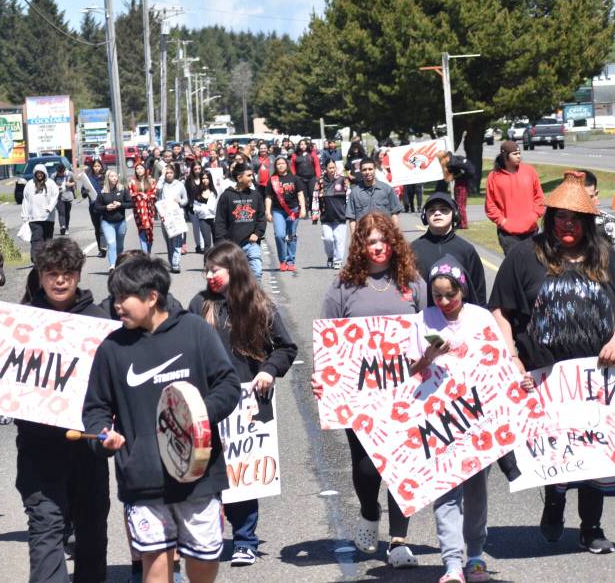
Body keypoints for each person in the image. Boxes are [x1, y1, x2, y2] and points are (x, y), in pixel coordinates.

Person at [83, 256, 240, 583]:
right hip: (142, 479)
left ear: (151, 296)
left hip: (197, 473)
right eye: (114, 299)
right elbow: (96, 408)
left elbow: (227, 384)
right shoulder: (111, 349)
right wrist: (103, 437)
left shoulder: (194, 330)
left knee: (204, 559)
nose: (117, 306)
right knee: (154, 566)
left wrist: (196, 414)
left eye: (123, 298)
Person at [489, 171, 615, 554]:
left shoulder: (607, 255)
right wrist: (511, 357)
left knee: (594, 449)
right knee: (555, 444)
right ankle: (554, 503)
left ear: (588, 221)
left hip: (598, 376)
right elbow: (500, 311)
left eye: (576, 219)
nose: (568, 225)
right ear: (550, 217)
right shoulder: (523, 256)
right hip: (544, 375)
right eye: (561, 217)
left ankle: (592, 526)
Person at [311, 212, 425, 569]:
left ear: (393, 242)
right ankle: (367, 510)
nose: (378, 247)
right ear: (361, 245)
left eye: (383, 240)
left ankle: (399, 540)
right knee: (366, 468)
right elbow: (327, 338)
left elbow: (430, 330)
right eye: (370, 241)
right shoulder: (344, 286)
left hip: (405, 393)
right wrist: (322, 376)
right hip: (359, 396)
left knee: (401, 466)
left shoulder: (412, 283)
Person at [188, 242, 297, 567]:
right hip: (208, 400)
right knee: (205, 472)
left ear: (233, 270)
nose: (209, 275)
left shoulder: (258, 304)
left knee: (241, 475)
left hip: (247, 400)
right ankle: (207, 537)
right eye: (206, 270)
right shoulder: (199, 304)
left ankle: (245, 540)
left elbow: (285, 348)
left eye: (215, 270)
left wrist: (268, 371)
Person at [12, 238, 111, 583]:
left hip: (87, 447)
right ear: (40, 276)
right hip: (38, 446)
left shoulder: (99, 322)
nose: (59, 281)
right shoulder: (20, 321)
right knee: (45, 529)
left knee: (91, 531)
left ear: (78, 275)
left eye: (67, 273)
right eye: (52, 273)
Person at [408, 257, 493, 583]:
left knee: (476, 490)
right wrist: (429, 357)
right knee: (445, 491)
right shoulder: (422, 320)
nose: (443, 302)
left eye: (450, 295)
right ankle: (452, 564)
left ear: (463, 289)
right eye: (437, 295)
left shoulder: (480, 317)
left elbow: (494, 361)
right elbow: (408, 372)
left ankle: (475, 555)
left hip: (476, 417)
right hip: (437, 419)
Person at [411, 193, 487, 306]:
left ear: (455, 214)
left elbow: (478, 290)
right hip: (424, 315)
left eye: (444, 209)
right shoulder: (413, 249)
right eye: (431, 210)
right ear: (424, 216)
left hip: (460, 316)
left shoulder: (466, 250)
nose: (437, 213)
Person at [484, 141, 544, 255]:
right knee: (514, 268)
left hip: (531, 231)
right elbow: (490, 205)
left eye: (519, 153)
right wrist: (502, 222)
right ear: (505, 155)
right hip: (508, 235)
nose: (519, 156)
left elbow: (539, 198)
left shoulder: (529, 171)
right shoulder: (494, 176)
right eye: (515, 154)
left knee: (533, 266)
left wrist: (534, 216)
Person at [215, 163, 266, 281]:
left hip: (251, 243)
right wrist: (221, 243)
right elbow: (220, 221)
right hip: (232, 246)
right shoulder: (226, 196)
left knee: (257, 272)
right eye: (248, 175)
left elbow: (261, 217)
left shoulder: (256, 195)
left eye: (252, 175)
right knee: (235, 277)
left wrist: (258, 233)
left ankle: (256, 298)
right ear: (239, 178)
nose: (252, 178)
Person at [265, 156, 307, 272]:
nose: (280, 165)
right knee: (279, 235)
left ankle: (291, 261)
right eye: (278, 164)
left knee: (291, 235)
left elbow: (300, 194)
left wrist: (303, 208)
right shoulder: (272, 180)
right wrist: (268, 212)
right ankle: (282, 260)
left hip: (293, 210)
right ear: (275, 166)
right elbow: (268, 197)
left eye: (283, 163)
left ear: (287, 165)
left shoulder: (294, 178)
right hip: (278, 211)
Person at [345, 157, 403, 233]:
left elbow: (394, 213)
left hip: (385, 235)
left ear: (375, 169)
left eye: (370, 169)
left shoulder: (387, 189)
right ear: (361, 171)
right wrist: (354, 239)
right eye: (364, 170)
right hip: (364, 236)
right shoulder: (355, 193)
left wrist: (396, 234)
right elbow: (352, 219)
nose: (367, 172)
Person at [95, 169, 132, 271]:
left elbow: (131, 203)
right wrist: (106, 207)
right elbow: (97, 207)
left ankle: (119, 263)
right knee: (111, 243)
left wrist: (121, 205)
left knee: (119, 245)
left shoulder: (123, 189)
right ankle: (112, 265)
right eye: (112, 176)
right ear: (107, 178)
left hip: (121, 222)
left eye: (115, 176)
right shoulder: (103, 191)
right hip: (107, 222)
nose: (114, 178)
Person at [21, 164, 59, 262]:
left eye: (41, 172)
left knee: (48, 239)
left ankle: (48, 259)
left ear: (44, 173)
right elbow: (25, 200)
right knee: (37, 239)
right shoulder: (29, 184)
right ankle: (36, 258)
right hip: (34, 218)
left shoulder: (51, 183)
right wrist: (25, 216)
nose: (39, 174)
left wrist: (50, 207)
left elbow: (55, 196)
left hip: (48, 218)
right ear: (35, 173)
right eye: (37, 173)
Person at [316, 160, 350, 269]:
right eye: (330, 168)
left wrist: (349, 212)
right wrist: (315, 213)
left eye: (333, 167)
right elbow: (315, 197)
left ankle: (338, 260)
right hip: (326, 216)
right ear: (325, 169)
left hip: (340, 215)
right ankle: (330, 256)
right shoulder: (320, 181)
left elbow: (348, 196)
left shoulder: (342, 180)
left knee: (339, 240)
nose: (332, 170)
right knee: (328, 239)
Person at [157, 165, 188, 273]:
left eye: (170, 172)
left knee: (177, 241)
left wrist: (179, 201)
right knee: (169, 242)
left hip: (177, 216)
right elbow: (157, 190)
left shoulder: (180, 185)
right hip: (165, 217)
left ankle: (176, 263)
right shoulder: (162, 185)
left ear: (174, 173)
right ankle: (171, 263)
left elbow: (185, 200)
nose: (169, 174)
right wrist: (161, 176)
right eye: (167, 173)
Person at [130, 162, 158, 254]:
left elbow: (154, 193)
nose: (139, 170)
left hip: (149, 209)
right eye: (137, 169)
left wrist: (148, 196)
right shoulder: (132, 182)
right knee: (142, 229)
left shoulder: (151, 181)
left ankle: (148, 250)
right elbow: (130, 194)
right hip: (138, 210)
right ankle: (144, 253)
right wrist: (139, 195)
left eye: (141, 168)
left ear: (145, 170)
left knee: (149, 230)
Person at [584, 170, 615, 249]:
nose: (584, 202)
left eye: (588, 197)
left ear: (595, 194)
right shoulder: (561, 221)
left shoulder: (608, 222)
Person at [290, 139, 320, 217]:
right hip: (300, 178)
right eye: (301, 144)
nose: (303, 146)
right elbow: (292, 167)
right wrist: (294, 177)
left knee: (312, 195)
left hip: (312, 178)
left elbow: (317, 165)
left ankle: (313, 211)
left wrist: (318, 176)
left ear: (307, 145)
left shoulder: (312, 153)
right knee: (303, 196)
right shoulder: (295, 155)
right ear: (299, 146)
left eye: (304, 144)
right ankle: (305, 212)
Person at [84, 158, 108, 257]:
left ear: (102, 167)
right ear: (92, 168)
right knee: (97, 228)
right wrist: (85, 192)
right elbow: (83, 193)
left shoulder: (105, 178)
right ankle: (100, 248)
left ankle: (103, 248)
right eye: (95, 166)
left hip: (104, 206)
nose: (97, 168)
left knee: (103, 227)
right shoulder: (89, 179)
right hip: (93, 207)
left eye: (98, 166)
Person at [192, 170, 219, 253]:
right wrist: (203, 208)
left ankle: (218, 263)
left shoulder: (215, 192)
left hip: (215, 219)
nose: (205, 180)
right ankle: (206, 264)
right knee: (207, 243)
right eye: (203, 178)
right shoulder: (197, 192)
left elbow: (219, 205)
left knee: (217, 243)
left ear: (210, 179)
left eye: (207, 178)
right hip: (203, 219)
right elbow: (195, 207)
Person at [185, 162, 207, 253]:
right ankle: (198, 245)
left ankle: (204, 245)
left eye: (199, 168)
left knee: (204, 226)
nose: (197, 171)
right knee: (196, 227)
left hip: (204, 206)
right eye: (195, 169)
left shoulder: (204, 178)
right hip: (193, 206)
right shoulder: (189, 180)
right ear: (192, 170)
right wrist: (189, 206)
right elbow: (187, 194)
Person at [53, 162, 76, 236]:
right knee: (61, 212)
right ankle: (62, 226)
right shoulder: (54, 176)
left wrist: (70, 184)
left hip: (68, 196)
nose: (60, 174)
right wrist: (56, 186)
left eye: (61, 172)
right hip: (59, 197)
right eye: (59, 173)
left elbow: (75, 182)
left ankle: (67, 227)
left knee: (67, 213)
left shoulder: (70, 174)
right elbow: (50, 184)